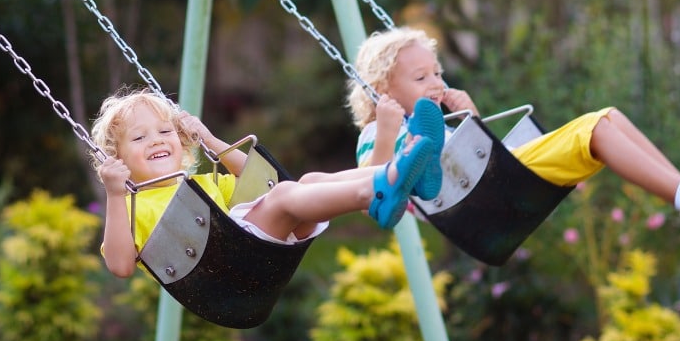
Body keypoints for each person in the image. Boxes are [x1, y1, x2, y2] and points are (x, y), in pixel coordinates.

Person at [346, 27, 680, 254]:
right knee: (595, 128)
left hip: (493, 182)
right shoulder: (376, 130)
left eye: (437, 72)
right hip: (471, 201)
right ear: (381, 88)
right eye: (421, 77)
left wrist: (471, 116)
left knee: (609, 119)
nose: (436, 83)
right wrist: (386, 129)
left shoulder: (444, 125)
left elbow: (478, 156)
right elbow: (372, 189)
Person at [91, 87, 444, 278]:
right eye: (139, 138)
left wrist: (212, 142)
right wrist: (114, 192)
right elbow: (121, 266)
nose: (155, 140)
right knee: (288, 194)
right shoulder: (130, 207)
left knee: (309, 181)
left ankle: (404, 173)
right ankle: (381, 188)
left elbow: (263, 183)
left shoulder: (201, 182)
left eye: (165, 131)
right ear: (117, 160)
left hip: (259, 245)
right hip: (229, 266)